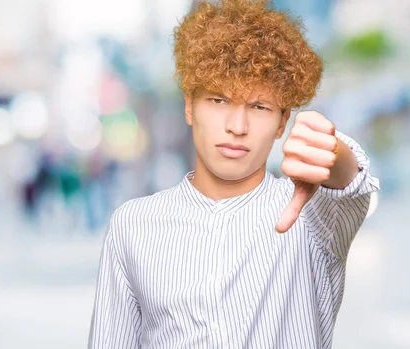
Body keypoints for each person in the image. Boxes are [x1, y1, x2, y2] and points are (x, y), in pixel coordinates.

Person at [88, 0, 380, 348]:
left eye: (259, 107)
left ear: (282, 122)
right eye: (219, 100)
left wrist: (331, 152)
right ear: (189, 106)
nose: (237, 126)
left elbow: (350, 185)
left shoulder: (310, 218)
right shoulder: (132, 225)